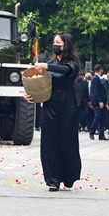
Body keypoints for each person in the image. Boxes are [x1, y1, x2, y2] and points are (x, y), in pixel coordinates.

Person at [25, 32, 82, 191]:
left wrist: (47, 67)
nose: (55, 45)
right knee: (49, 143)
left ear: (66, 45)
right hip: (50, 105)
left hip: (68, 106)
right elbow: (40, 84)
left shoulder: (72, 63)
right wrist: (31, 95)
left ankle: (68, 176)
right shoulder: (49, 63)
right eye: (54, 42)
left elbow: (65, 71)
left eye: (59, 43)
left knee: (66, 141)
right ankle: (52, 179)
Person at [89, 64, 109, 140]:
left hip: (102, 101)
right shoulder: (95, 78)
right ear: (100, 70)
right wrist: (100, 101)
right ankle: (92, 131)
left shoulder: (100, 78)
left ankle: (101, 134)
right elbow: (95, 91)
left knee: (103, 117)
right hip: (97, 102)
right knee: (98, 116)